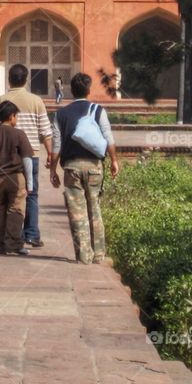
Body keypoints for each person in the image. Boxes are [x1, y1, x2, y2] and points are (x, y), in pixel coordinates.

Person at [50, 72, 119, 265]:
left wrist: (52, 170)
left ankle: (83, 256)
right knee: (94, 208)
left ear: (71, 91)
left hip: (71, 167)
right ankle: (99, 255)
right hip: (94, 166)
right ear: (89, 90)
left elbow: (56, 146)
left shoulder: (61, 114)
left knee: (76, 212)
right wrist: (114, 160)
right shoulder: (98, 110)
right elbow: (108, 138)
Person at [0, 64, 53, 249]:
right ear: (26, 80)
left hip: (4, 156)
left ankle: (5, 238)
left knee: (5, 199)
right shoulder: (36, 101)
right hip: (31, 155)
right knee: (30, 195)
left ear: (9, 79)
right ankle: (30, 234)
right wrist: (50, 153)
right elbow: (45, 130)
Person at [0, 101, 35, 256]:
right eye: (16, 116)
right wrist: (30, 183)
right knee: (16, 210)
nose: (16, 119)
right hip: (16, 178)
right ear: (12, 117)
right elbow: (27, 161)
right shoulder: (19, 134)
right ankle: (14, 244)